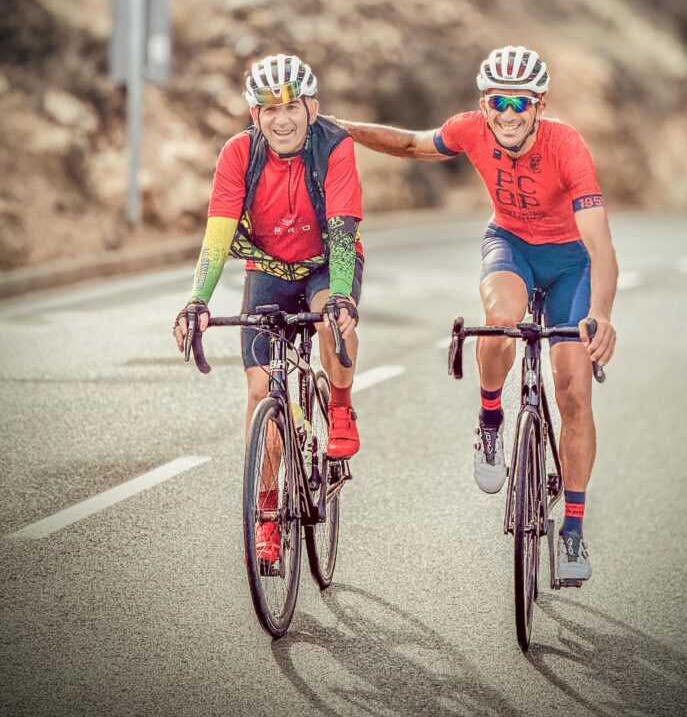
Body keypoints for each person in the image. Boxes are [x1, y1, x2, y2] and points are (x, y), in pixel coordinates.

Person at [332, 45, 617, 581]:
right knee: (500, 319)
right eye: (497, 102)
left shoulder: (567, 146)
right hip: (509, 243)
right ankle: (490, 421)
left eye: (520, 102)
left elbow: (600, 246)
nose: (508, 113)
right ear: (483, 104)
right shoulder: (470, 130)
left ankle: (573, 532)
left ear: (539, 105)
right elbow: (412, 144)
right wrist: (341, 127)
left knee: (574, 391)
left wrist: (600, 313)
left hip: (569, 262)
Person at [173, 53, 363, 562]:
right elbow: (217, 236)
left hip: (326, 263)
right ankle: (266, 513)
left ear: (312, 108)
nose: (281, 120)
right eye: (269, 109)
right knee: (261, 390)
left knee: (332, 321)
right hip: (269, 269)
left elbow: (343, 230)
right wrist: (197, 299)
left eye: (292, 107)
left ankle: (340, 407)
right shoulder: (239, 153)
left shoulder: (335, 146)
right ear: (254, 114)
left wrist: (340, 295)